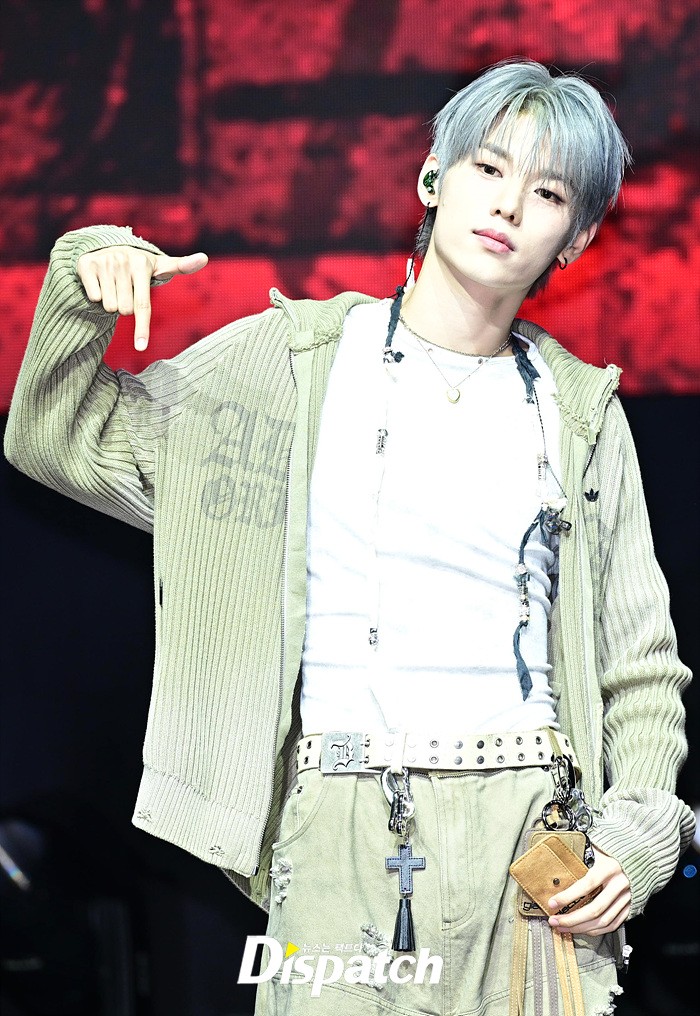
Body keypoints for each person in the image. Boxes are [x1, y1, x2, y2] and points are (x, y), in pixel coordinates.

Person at [5, 60, 694, 1016]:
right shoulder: (289, 364)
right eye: (489, 168)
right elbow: (58, 436)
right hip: (340, 827)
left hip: (534, 840)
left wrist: (637, 835)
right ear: (432, 178)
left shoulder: (579, 413)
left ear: (575, 238)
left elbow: (641, 667)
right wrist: (87, 280)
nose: (507, 205)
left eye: (547, 193)